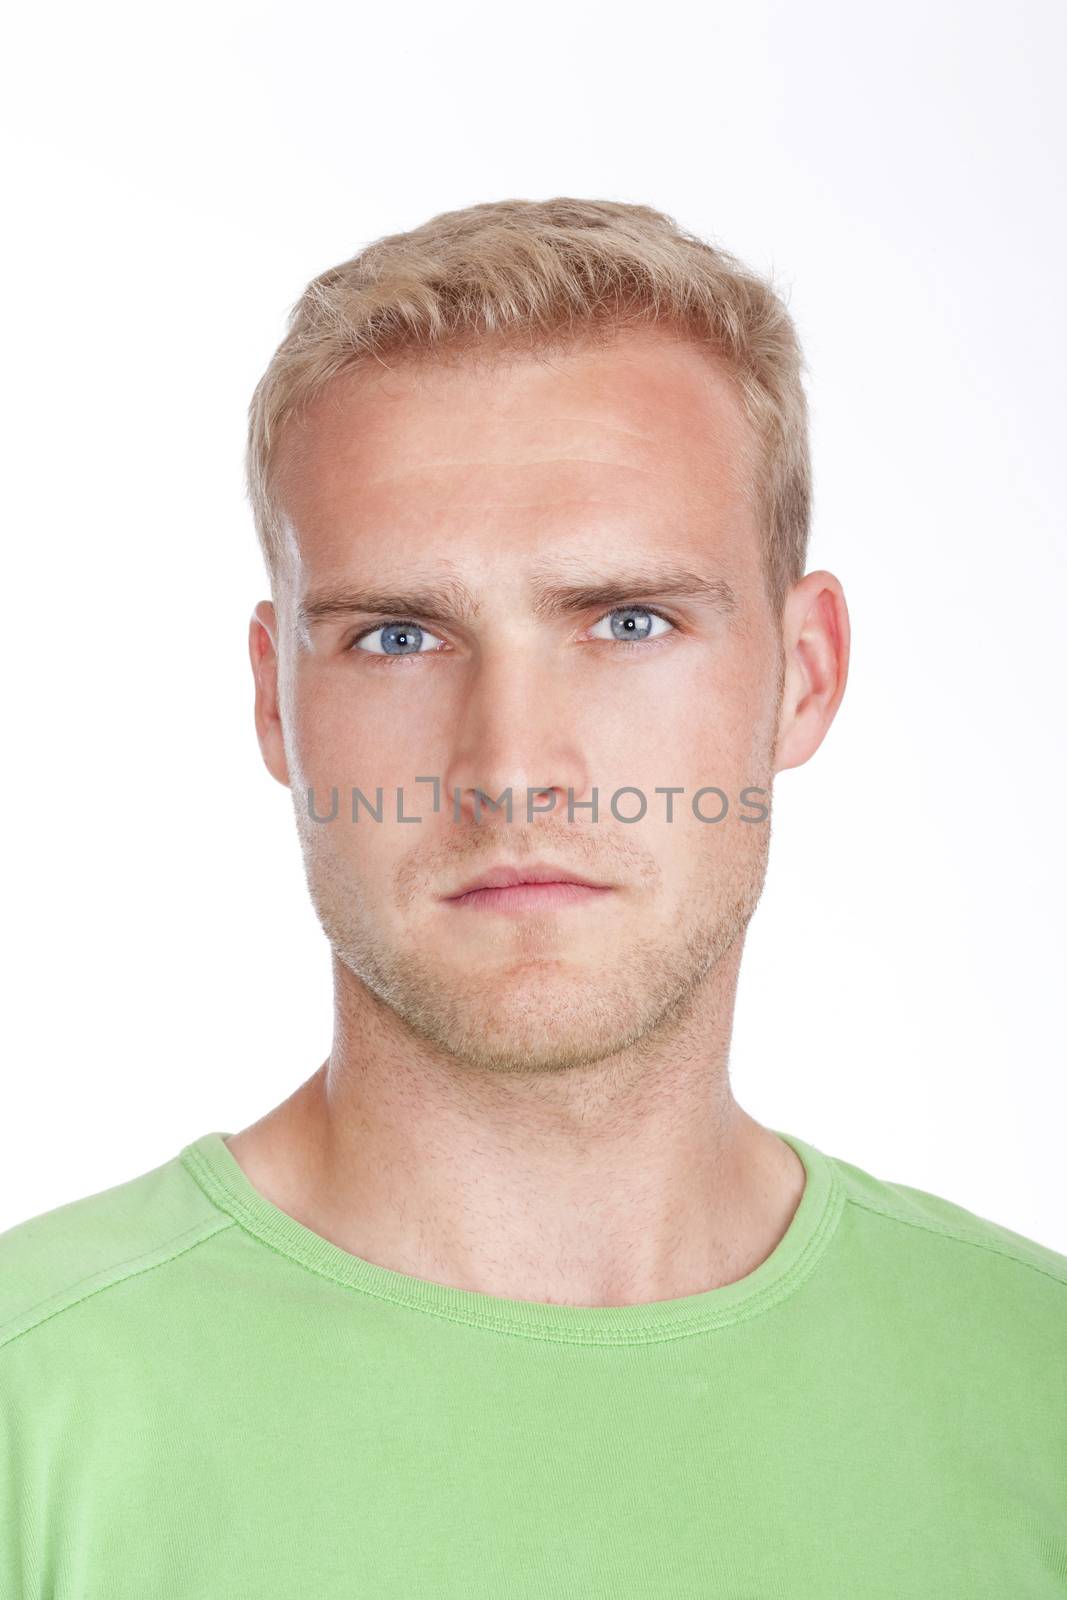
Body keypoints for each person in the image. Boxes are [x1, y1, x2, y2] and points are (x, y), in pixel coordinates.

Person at [2, 197, 1064, 1598]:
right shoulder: (37, 1404)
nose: (511, 770)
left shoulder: (1033, 1388)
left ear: (804, 673)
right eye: (397, 636)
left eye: (629, 623)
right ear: (274, 702)